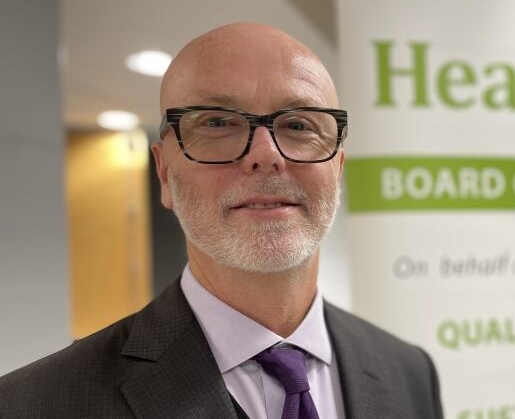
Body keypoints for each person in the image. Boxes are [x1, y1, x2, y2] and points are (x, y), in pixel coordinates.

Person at [0, 22, 444, 419]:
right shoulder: (35, 404)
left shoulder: (408, 371)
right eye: (216, 122)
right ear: (165, 173)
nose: (265, 156)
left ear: (338, 169)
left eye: (299, 124)